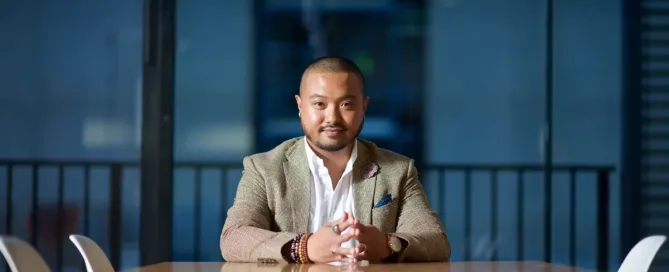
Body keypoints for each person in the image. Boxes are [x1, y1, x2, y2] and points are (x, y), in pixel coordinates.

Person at [220, 56, 451, 264]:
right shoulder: (263, 168)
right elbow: (234, 238)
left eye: (346, 104)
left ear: (364, 107)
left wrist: (386, 245)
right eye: (319, 104)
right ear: (300, 106)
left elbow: (436, 242)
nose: (332, 117)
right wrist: (305, 248)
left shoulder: (398, 170)